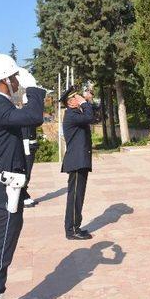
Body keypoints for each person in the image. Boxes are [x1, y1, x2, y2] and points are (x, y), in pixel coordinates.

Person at [0, 54, 45, 299]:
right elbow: (35, 116)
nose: (18, 81)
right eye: (15, 77)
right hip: (2, 192)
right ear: (5, 78)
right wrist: (34, 87)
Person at [60, 84, 95, 240]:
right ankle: (72, 230)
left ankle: (76, 226)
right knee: (74, 197)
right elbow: (90, 117)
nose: (79, 98)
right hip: (76, 161)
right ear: (70, 102)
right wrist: (85, 103)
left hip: (80, 161)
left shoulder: (76, 113)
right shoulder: (71, 115)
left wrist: (88, 102)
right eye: (76, 97)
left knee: (78, 196)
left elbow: (95, 115)